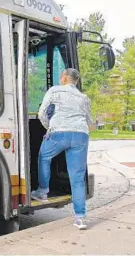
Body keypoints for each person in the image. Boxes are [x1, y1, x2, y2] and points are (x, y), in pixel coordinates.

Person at [31, 68, 95, 230]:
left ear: (66, 78)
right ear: (77, 81)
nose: (60, 77)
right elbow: (90, 121)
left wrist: (49, 128)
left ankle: (43, 191)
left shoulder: (55, 90)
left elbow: (41, 114)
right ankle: (80, 218)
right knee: (78, 177)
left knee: (44, 157)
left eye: (62, 75)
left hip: (58, 132)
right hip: (80, 135)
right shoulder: (84, 98)